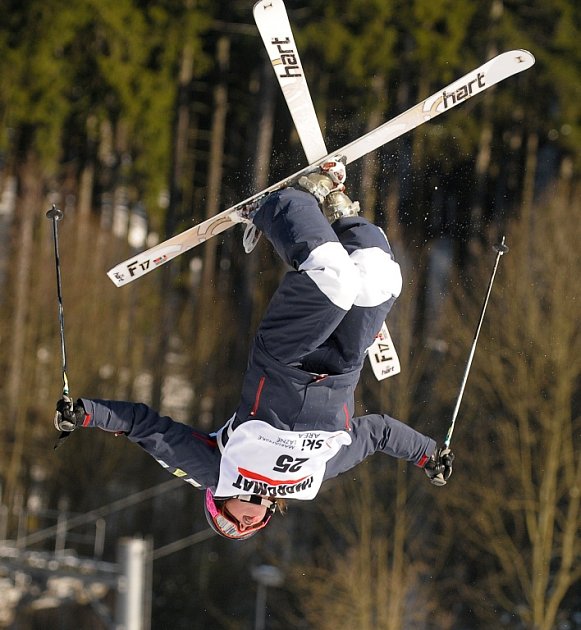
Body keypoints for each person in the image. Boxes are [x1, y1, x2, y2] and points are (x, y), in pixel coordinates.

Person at [55, 157, 454, 541]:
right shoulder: (311, 480)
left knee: (334, 283)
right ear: (269, 515)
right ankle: (339, 213)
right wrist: (428, 455)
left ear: (217, 505)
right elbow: (378, 434)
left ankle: (282, 203)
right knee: (380, 280)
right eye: (250, 528)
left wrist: (85, 413)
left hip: (284, 357)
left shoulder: (218, 470)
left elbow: (146, 427)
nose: (241, 526)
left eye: (228, 526)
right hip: (343, 365)